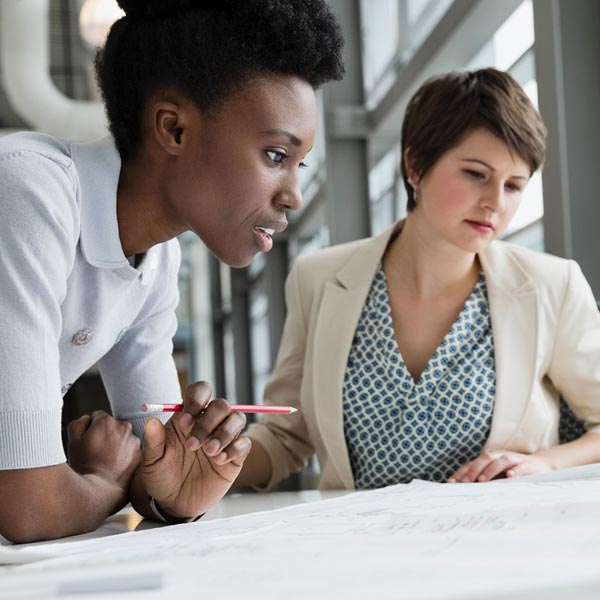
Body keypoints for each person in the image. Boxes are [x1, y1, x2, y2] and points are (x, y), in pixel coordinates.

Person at [0, 0, 344, 542]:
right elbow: (28, 506)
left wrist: (175, 494)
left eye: (299, 165)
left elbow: (151, 460)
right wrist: (103, 479)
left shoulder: (158, 260)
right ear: (174, 128)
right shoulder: (27, 194)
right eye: (276, 155)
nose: (295, 196)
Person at [237, 68, 600, 492]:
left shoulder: (550, 286)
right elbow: (284, 435)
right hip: (356, 550)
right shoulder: (318, 280)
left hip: (501, 548)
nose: (495, 203)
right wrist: (210, 462)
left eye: (514, 185)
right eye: (476, 174)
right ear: (415, 166)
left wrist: (546, 464)